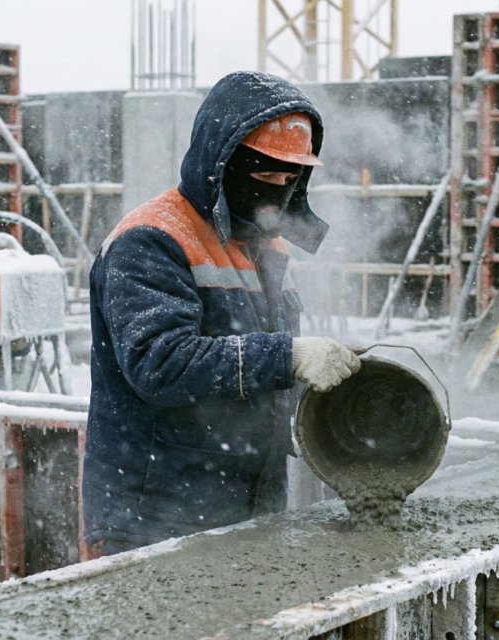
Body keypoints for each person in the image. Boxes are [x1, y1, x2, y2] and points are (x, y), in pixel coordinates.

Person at [83, 71, 360, 557]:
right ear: (221, 161)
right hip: (157, 511)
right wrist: (287, 357)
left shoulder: (264, 244)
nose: (276, 189)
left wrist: (327, 375)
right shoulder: (151, 240)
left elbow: (261, 363)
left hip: (249, 500)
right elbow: (159, 364)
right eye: (264, 174)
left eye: (288, 177)